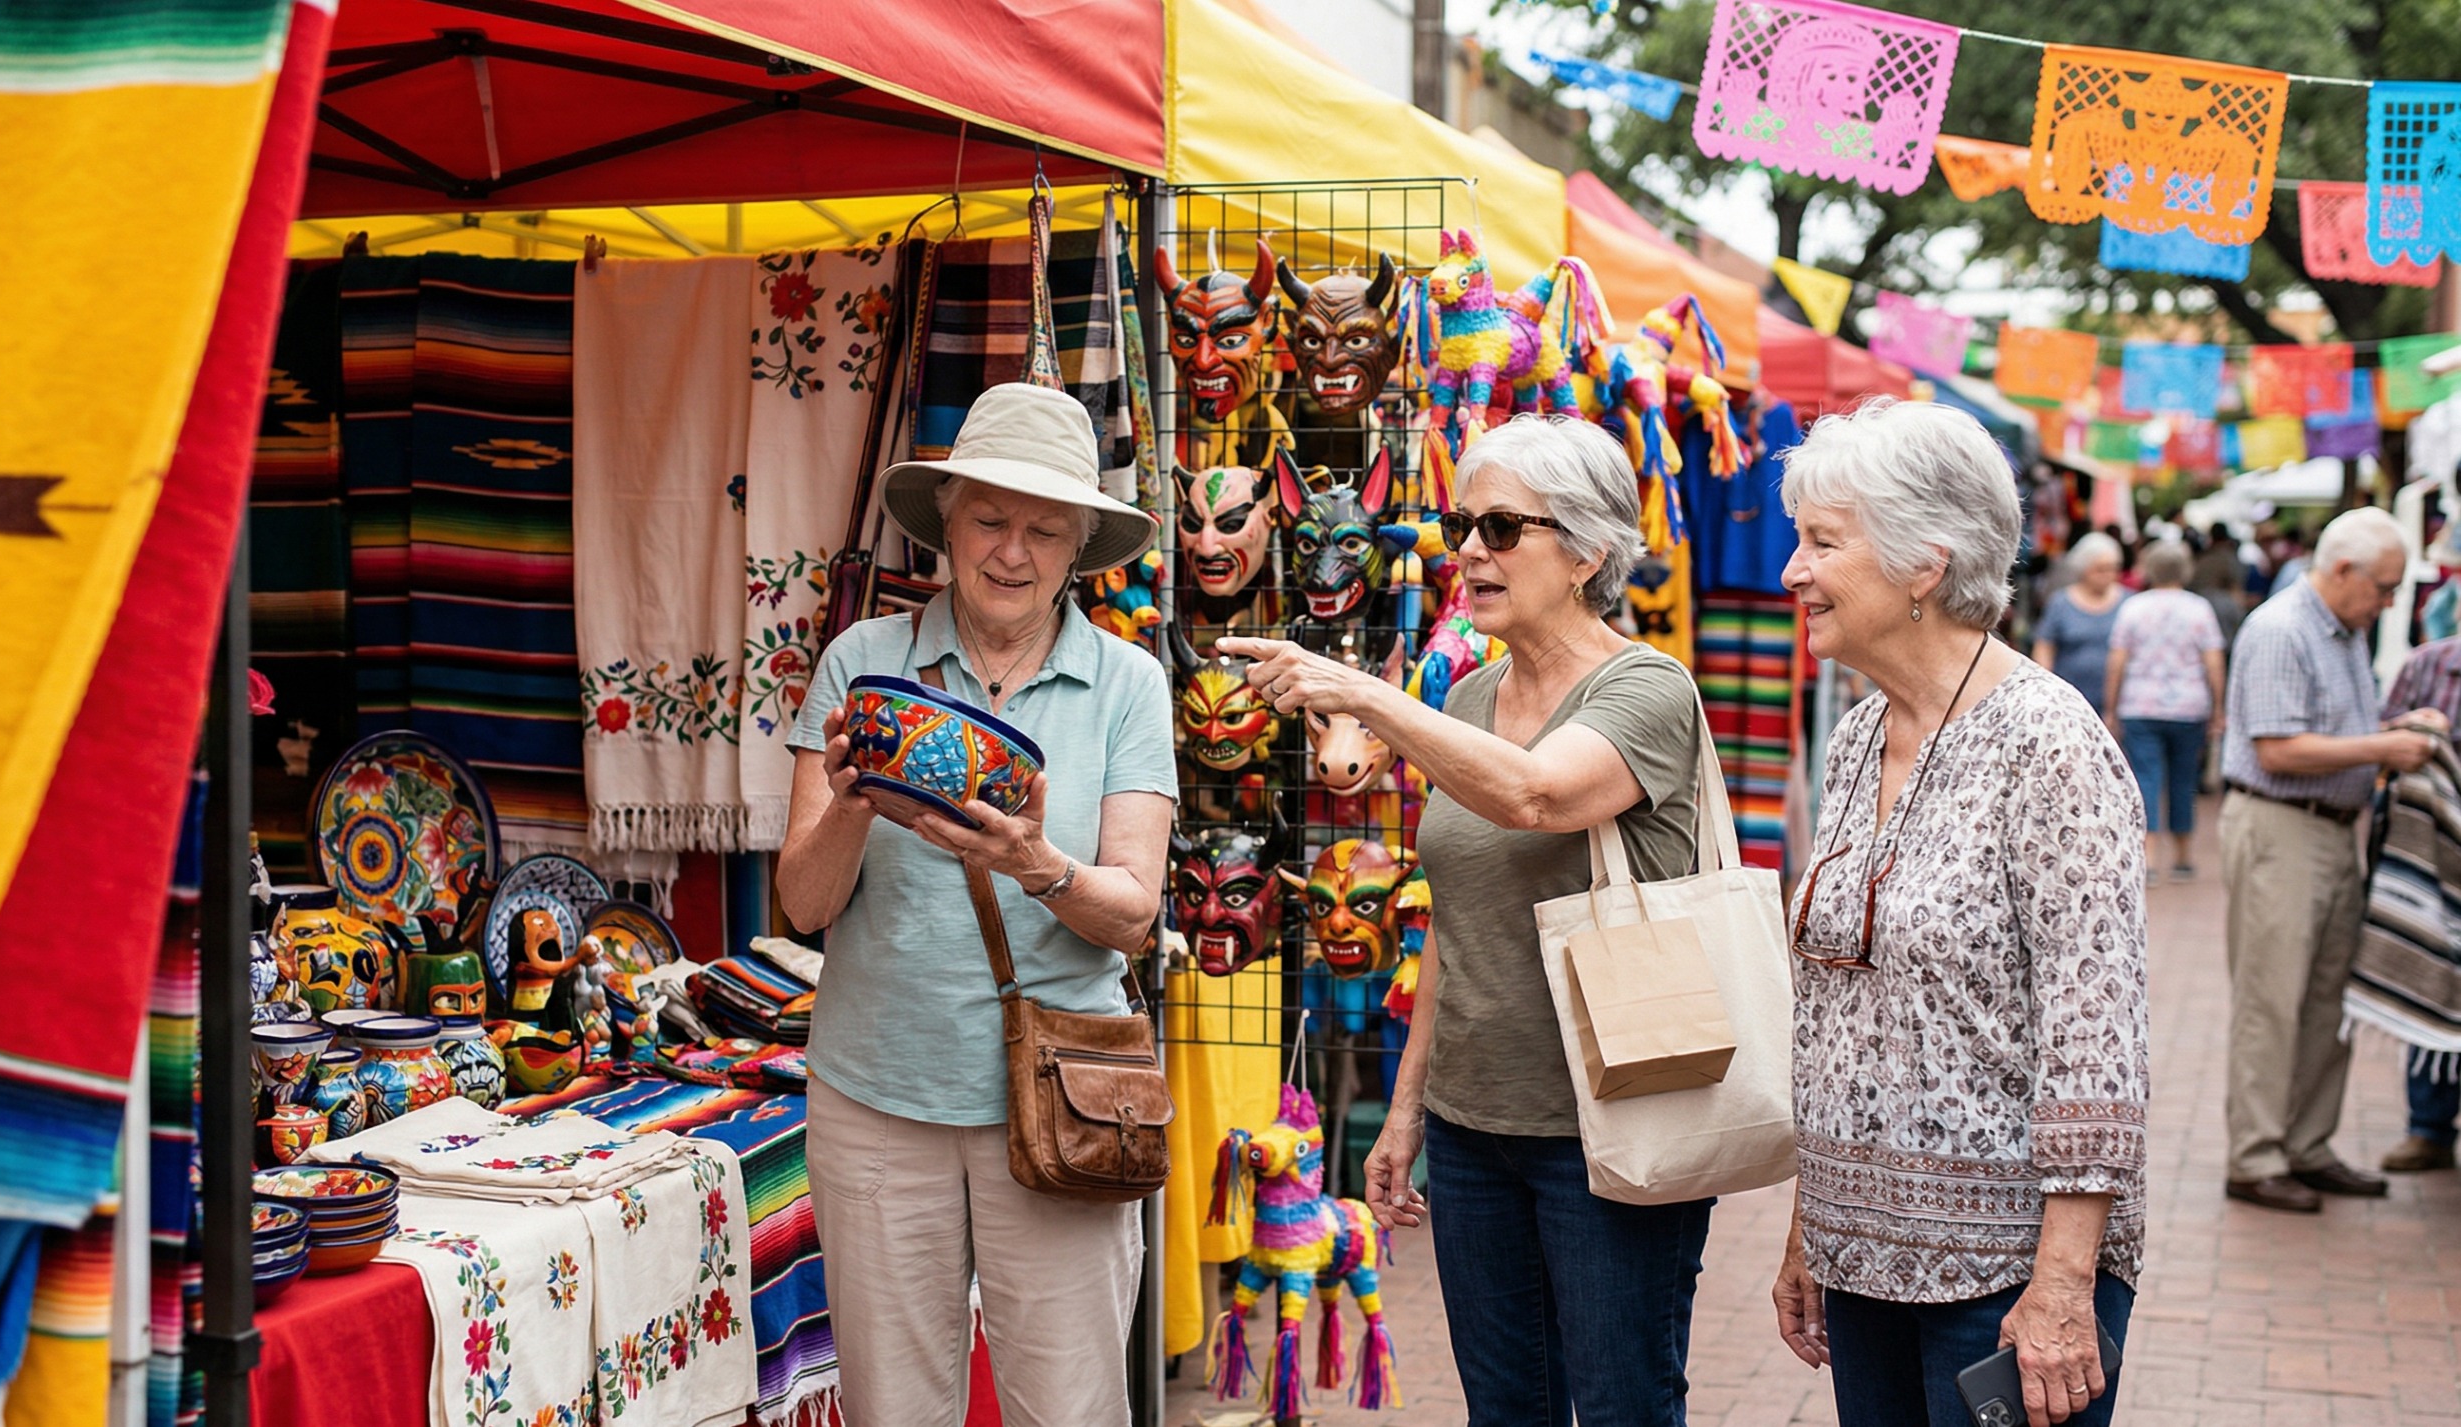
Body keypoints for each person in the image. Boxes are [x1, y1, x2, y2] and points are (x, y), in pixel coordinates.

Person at [1218, 415, 1712, 1427]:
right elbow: (1454, 917)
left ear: (1588, 552)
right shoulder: (1475, 694)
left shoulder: (1648, 689)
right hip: (1476, 1126)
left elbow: (1535, 795)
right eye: (1459, 525)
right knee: (1504, 1408)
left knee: (1624, 1404)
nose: (1469, 552)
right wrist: (1408, 1108)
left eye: (1499, 527)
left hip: (1611, 1126)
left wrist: (1362, 691)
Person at [777, 383, 1176, 1422]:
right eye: (990, 519)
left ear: (1082, 543)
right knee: (894, 1406)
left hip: (1061, 1099)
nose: (1013, 550)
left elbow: (1133, 912)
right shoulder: (863, 665)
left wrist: (1037, 860)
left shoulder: (1128, 683)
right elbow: (804, 902)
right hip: (874, 1099)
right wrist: (854, 802)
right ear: (946, 523)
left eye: (1045, 528)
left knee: (1070, 1404)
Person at [1769, 400, 2149, 1427]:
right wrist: (1812, 1226)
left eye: (1822, 542)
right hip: (1861, 1265)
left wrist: (2065, 1283)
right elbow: (1837, 1005)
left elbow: (2096, 1037)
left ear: (1921, 566)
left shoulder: (2050, 745)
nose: (1791, 570)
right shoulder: (1854, 739)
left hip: (2005, 1282)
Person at [2218, 505, 2447, 1213]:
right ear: (2341, 569)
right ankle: (2256, 1155)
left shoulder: (2344, 631)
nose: (2387, 601)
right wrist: (2384, 747)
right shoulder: (2282, 628)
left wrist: (2394, 731)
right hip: (2280, 826)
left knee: (2326, 999)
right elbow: (2277, 747)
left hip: (2328, 828)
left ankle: (2307, 1144)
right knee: (2272, 998)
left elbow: (2334, 732)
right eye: (2382, 586)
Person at [2373, 630, 2461, 1173]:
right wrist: (2411, 734)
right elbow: (2379, 740)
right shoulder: (2429, 664)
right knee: (2433, 975)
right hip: (2436, 856)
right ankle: (2428, 1127)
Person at [2104, 541, 2228, 883]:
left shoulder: (2133, 608)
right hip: (2189, 707)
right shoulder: (2199, 609)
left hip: (2140, 704)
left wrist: (2111, 707)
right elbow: (2213, 661)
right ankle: (2184, 856)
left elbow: (2117, 660)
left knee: (2146, 778)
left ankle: (2151, 857)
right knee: (2183, 780)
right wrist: (2219, 707)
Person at [2033, 531, 2129, 712]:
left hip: (2117, 703)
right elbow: (2044, 646)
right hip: (2069, 701)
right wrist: (2045, 688)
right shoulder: (2061, 603)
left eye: (2113, 568)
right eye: (2100, 569)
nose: (2108, 575)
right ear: (2083, 569)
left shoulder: (2128, 602)